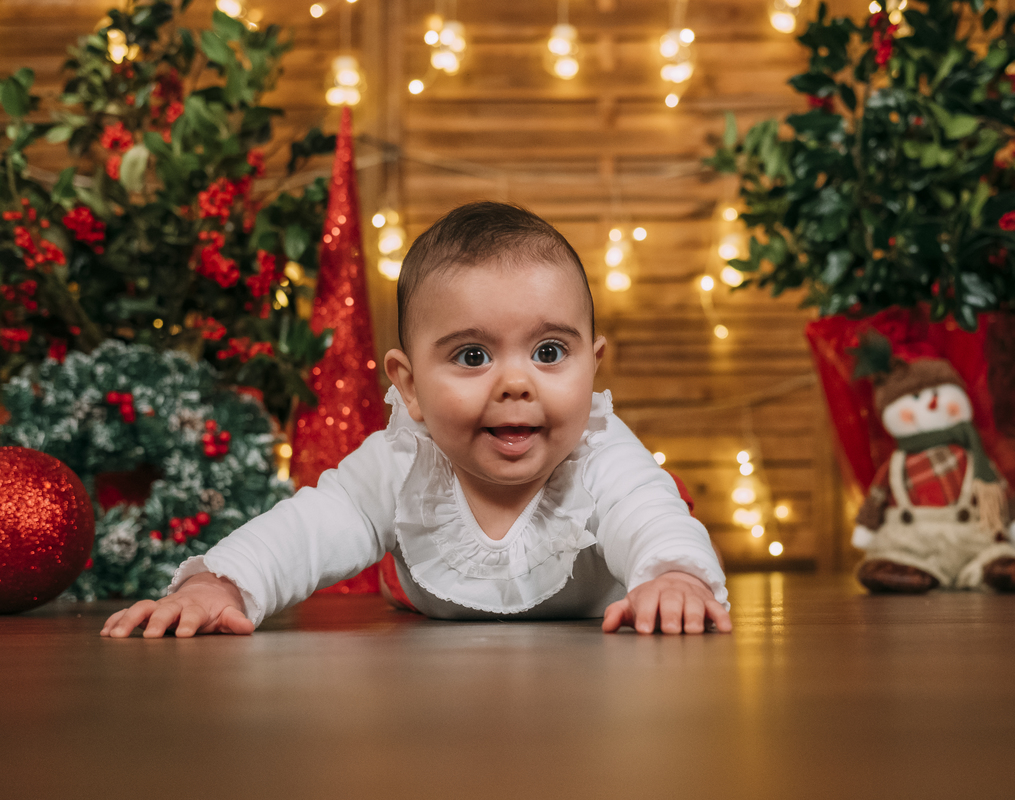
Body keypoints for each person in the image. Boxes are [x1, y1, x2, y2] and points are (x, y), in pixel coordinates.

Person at [102, 202, 732, 639]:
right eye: (472, 356)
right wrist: (222, 586)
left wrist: (674, 576)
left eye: (549, 353)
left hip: (583, 673)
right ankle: (397, 572)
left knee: (663, 509)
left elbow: (645, 513)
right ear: (409, 387)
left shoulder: (598, 450)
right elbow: (309, 527)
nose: (516, 383)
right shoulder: (402, 457)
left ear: (592, 367)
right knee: (357, 522)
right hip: (427, 627)